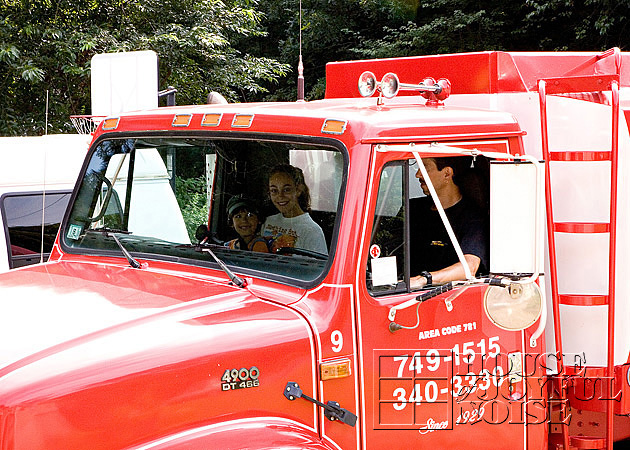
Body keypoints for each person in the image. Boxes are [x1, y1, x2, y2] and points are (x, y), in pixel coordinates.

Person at [409, 156, 488, 290]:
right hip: (397, 295)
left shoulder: (473, 218)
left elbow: (469, 267)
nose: (418, 174)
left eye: (425, 168)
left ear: (447, 173)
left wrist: (423, 280)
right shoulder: (414, 208)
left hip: (448, 298)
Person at [261, 164, 328, 255]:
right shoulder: (268, 221)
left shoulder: (312, 231)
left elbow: (317, 267)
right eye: (274, 190)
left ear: (298, 190)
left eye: (286, 190)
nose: (280, 196)